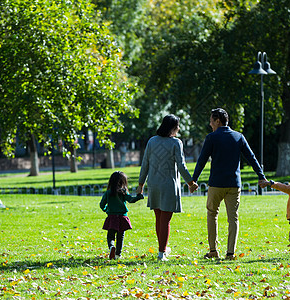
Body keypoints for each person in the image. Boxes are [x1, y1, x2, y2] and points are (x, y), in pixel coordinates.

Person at [191, 108, 267, 260]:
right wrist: (261, 176)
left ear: (217, 121)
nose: (210, 124)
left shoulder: (211, 138)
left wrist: (194, 180)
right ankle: (230, 253)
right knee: (233, 218)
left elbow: (202, 160)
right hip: (234, 184)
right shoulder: (238, 137)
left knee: (212, 214)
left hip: (216, 184)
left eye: (211, 121)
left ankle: (213, 250)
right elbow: (251, 158)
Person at [137, 114, 198, 261]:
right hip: (168, 185)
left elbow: (145, 164)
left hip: (154, 184)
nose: (178, 129)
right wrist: (191, 182)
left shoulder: (152, 141)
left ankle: (162, 250)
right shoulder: (176, 143)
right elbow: (181, 166)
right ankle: (161, 253)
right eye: (177, 126)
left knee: (159, 219)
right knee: (165, 220)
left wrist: (141, 185)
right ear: (173, 127)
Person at [100, 171, 144, 260]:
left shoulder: (108, 193)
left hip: (112, 217)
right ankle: (117, 254)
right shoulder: (123, 192)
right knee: (120, 237)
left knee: (110, 235)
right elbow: (131, 200)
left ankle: (111, 246)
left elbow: (102, 204)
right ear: (123, 182)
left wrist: (106, 210)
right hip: (122, 217)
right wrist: (139, 197)